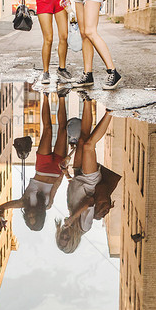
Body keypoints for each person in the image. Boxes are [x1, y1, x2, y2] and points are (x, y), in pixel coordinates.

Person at [55, 98, 121, 253]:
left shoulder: (70, 214)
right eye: (67, 240)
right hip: (90, 180)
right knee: (89, 146)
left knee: (82, 139)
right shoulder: (84, 226)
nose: (64, 236)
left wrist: (66, 173)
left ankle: (87, 100)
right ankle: (110, 112)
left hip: (78, 174)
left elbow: (76, 190)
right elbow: (89, 200)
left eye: (61, 238)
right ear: (73, 241)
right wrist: (73, 217)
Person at [0, 91, 69, 230]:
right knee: (62, 130)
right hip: (56, 169)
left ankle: (46, 96)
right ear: (40, 217)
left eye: (28, 218)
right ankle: (62, 96)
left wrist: (1, 217)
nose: (30, 215)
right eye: (34, 217)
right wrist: (64, 171)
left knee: (47, 130)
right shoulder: (47, 205)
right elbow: (55, 187)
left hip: (42, 167)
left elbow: (2, 207)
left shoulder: (24, 202)